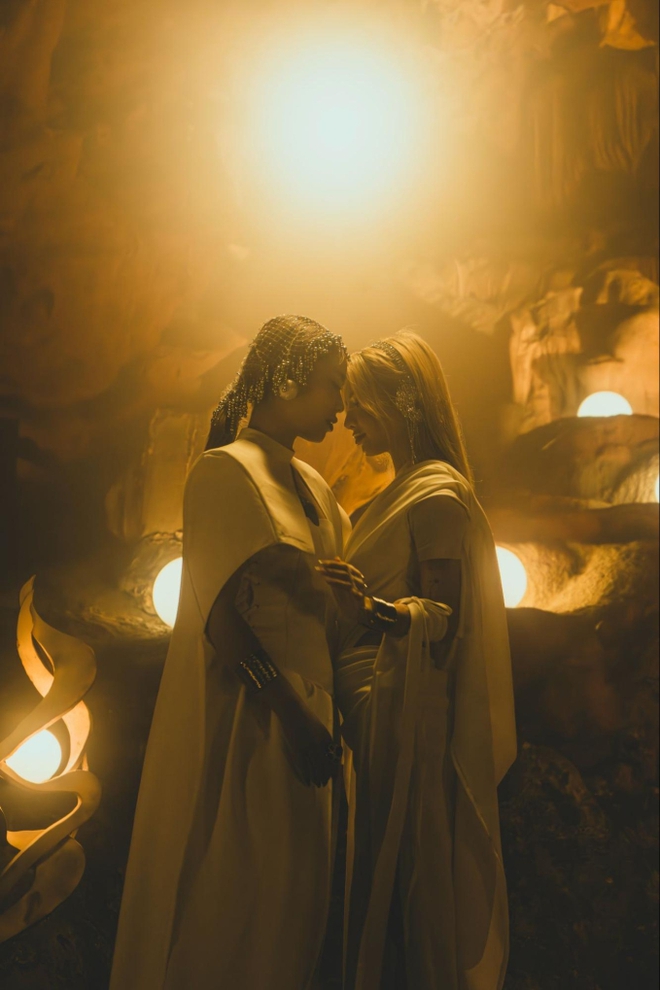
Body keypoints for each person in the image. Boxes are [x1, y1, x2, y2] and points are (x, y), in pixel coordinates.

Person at [110, 315, 350, 990]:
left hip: (320, 717)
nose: (341, 404)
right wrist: (292, 716)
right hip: (261, 720)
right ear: (287, 379)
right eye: (332, 384)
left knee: (299, 919)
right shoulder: (223, 470)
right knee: (247, 909)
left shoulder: (314, 483)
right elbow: (218, 618)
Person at [317, 331, 517, 990]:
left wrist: (367, 608)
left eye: (357, 404)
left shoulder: (435, 494)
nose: (346, 418)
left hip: (396, 703)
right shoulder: (397, 489)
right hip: (368, 699)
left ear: (398, 403)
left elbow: (443, 617)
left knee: (401, 871)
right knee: (370, 866)